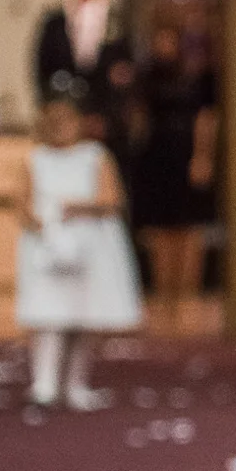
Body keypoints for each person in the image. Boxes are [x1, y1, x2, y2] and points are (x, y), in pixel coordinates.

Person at [16, 93, 143, 409]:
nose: (61, 127)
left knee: (83, 319)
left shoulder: (94, 155)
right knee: (50, 318)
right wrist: (44, 227)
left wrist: (78, 208)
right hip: (49, 248)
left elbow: (112, 199)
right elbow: (21, 203)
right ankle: (43, 384)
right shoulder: (35, 159)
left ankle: (75, 385)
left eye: (67, 120)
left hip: (89, 247)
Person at [128, 22, 220, 334]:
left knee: (189, 230)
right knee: (160, 232)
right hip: (155, 157)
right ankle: (163, 297)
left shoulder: (195, 76)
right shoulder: (146, 76)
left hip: (186, 154)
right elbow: (137, 115)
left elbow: (206, 118)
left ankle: (187, 297)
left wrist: (203, 156)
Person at [32, 0, 135, 165]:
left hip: (107, 126)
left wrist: (107, 117)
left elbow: (126, 75)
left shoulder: (119, 22)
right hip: (65, 121)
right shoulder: (54, 23)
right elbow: (42, 73)